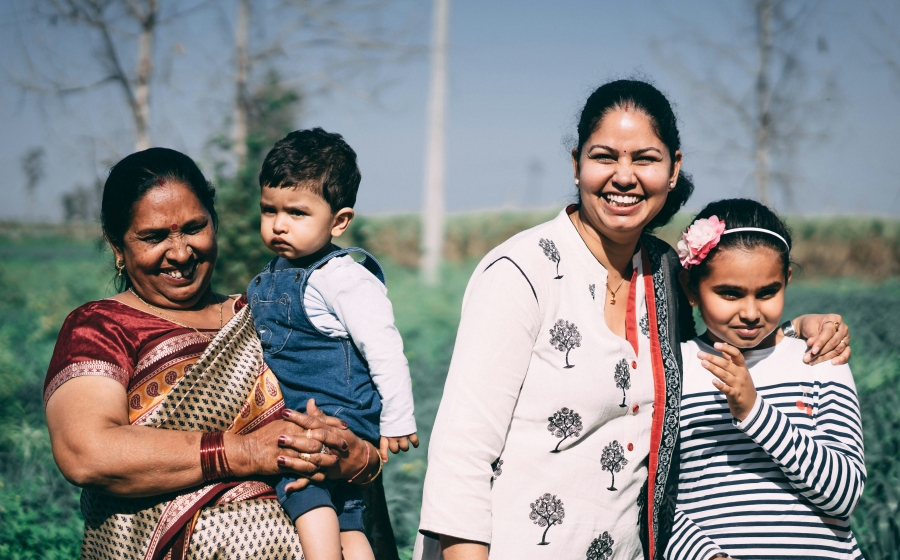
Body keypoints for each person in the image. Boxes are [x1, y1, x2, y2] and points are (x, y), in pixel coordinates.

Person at [414, 80, 852, 560]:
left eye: (645, 158)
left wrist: (797, 328)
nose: (624, 177)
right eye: (605, 157)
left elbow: (720, 341)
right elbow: (463, 452)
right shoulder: (522, 272)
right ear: (577, 163)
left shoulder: (667, 273)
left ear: (673, 169)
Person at [44, 147, 385, 560]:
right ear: (118, 247)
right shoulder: (100, 327)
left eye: (194, 228)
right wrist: (245, 452)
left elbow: (357, 418)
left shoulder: (268, 314)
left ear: (214, 224)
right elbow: (86, 453)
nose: (181, 252)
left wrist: (352, 456)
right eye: (154, 237)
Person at [246, 128, 418, 560]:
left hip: (328, 416)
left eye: (297, 213)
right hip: (324, 416)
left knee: (303, 490)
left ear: (339, 221)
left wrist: (398, 418)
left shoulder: (341, 277)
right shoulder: (275, 272)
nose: (279, 224)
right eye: (270, 210)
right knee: (350, 520)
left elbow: (384, 347)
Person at [665, 199, 863, 560]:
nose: (751, 313)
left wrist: (754, 411)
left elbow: (844, 496)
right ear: (691, 288)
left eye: (768, 292)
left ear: (787, 280)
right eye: (730, 294)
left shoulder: (820, 359)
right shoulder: (673, 371)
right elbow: (654, 495)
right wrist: (704, 555)